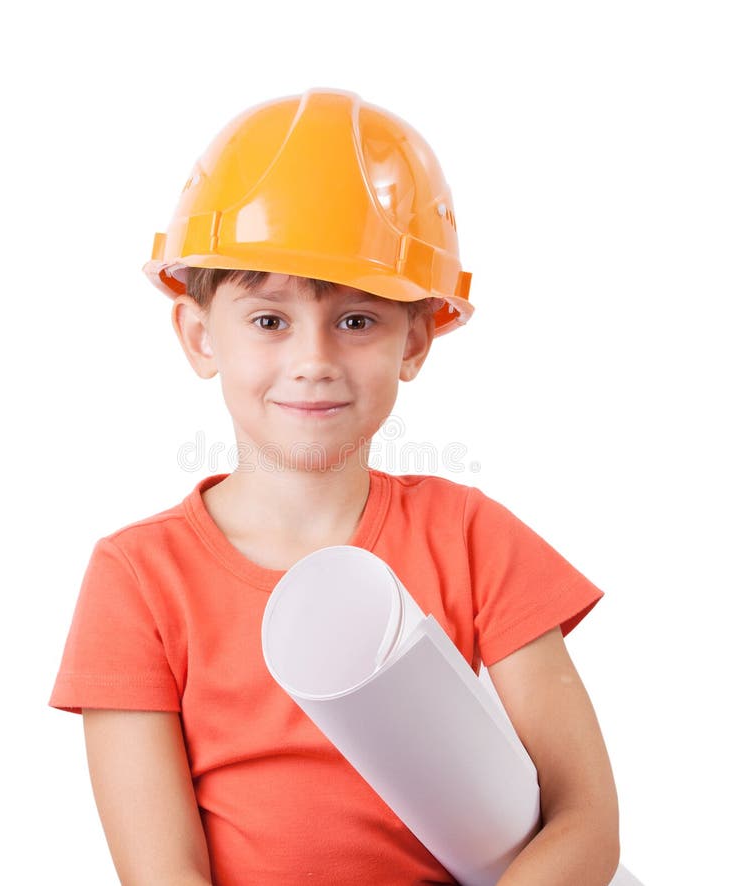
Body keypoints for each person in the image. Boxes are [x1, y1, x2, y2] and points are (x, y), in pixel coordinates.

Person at [49, 88, 620, 885]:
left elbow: (586, 823)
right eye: (269, 320)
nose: (313, 359)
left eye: (356, 320)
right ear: (199, 335)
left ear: (414, 340)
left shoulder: (470, 538)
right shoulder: (137, 579)